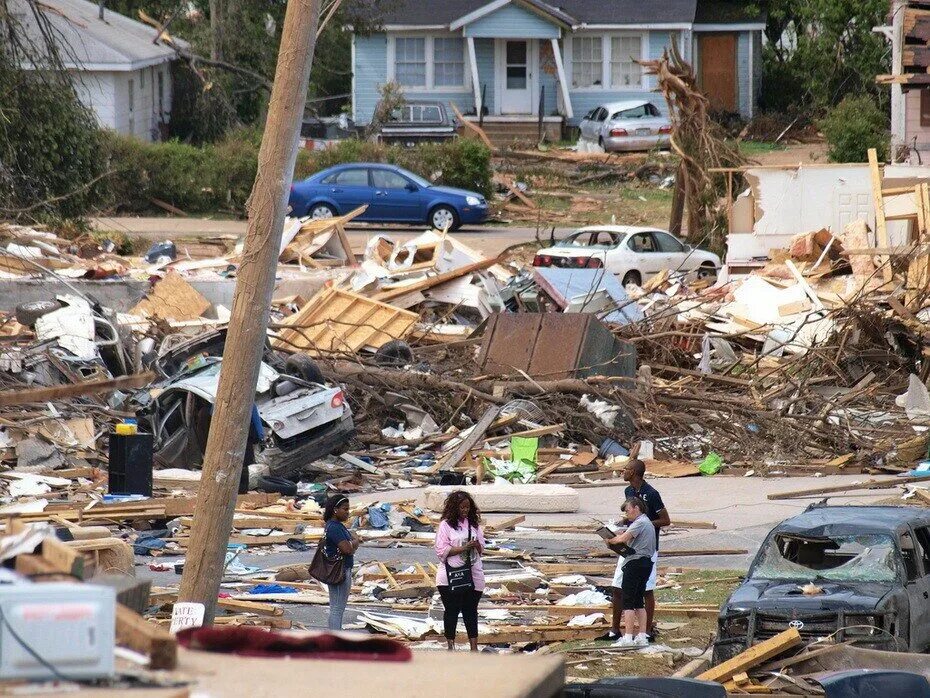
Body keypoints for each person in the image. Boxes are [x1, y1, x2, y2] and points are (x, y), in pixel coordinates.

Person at [599, 459, 670, 642]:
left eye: (626, 469)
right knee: (617, 587)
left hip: (646, 549)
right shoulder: (628, 491)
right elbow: (631, 517)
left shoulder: (651, 493)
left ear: (635, 472)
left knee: (645, 590)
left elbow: (665, 520)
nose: (623, 471)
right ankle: (615, 630)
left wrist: (641, 525)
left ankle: (645, 631)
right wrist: (625, 523)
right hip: (629, 547)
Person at [434, 490, 485, 651]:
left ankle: (474, 647)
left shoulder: (474, 525)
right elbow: (441, 550)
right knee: (452, 610)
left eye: (467, 507)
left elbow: (482, 547)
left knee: (471, 610)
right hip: (450, 574)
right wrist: (463, 547)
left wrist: (476, 545)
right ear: (454, 508)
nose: (465, 511)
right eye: (462, 508)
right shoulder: (446, 525)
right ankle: (451, 645)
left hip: (473, 573)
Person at [606, 496, 657, 648]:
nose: (627, 514)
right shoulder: (647, 523)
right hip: (646, 563)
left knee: (628, 601)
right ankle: (642, 635)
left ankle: (628, 637)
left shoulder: (640, 522)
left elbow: (622, 539)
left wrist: (609, 538)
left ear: (636, 508)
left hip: (634, 563)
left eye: (628, 511)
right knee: (638, 601)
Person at [323, 494, 360, 630]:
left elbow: (349, 545)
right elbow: (347, 549)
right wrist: (355, 541)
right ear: (335, 510)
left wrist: (352, 543)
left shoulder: (337, 526)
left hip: (341, 569)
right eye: (345, 509)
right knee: (337, 609)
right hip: (340, 571)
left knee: (337, 607)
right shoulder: (334, 527)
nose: (347, 512)